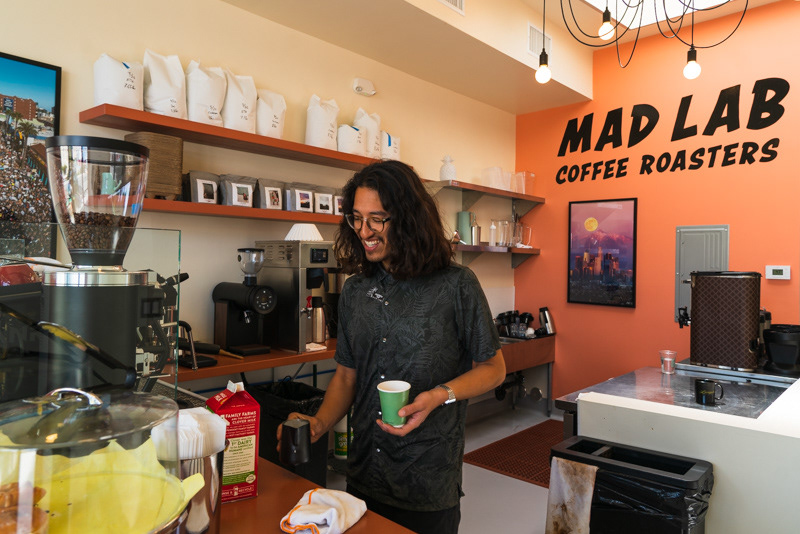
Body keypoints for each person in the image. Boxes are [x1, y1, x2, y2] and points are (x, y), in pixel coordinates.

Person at [279, 160, 506, 534]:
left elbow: (494, 369)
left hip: (427, 478)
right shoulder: (356, 291)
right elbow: (347, 377)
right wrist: (319, 422)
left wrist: (439, 395)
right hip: (365, 472)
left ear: (408, 219)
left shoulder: (456, 285)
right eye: (356, 219)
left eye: (376, 219)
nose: (363, 231)